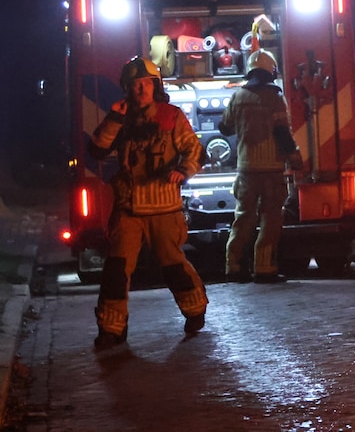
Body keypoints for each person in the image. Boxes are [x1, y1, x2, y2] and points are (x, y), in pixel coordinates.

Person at [88, 56, 208, 350]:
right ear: (127, 88)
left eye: (146, 84)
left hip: (164, 206)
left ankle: (195, 309)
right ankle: (111, 328)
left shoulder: (171, 116)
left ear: (156, 86)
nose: (141, 89)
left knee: (173, 264)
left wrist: (182, 171)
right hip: (128, 208)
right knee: (116, 270)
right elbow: (97, 149)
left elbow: (195, 151)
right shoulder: (121, 118)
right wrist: (114, 119)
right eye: (135, 85)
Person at [218, 49, 301, 284]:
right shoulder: (275, 97)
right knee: (271, 219)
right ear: (271, 72)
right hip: (272, 169)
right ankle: (264, 268)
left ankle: (233, 266)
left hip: (246, 169)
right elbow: (282, 132)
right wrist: (294, 156)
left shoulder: (238, 96)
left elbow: (225, 128)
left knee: (243, 217)